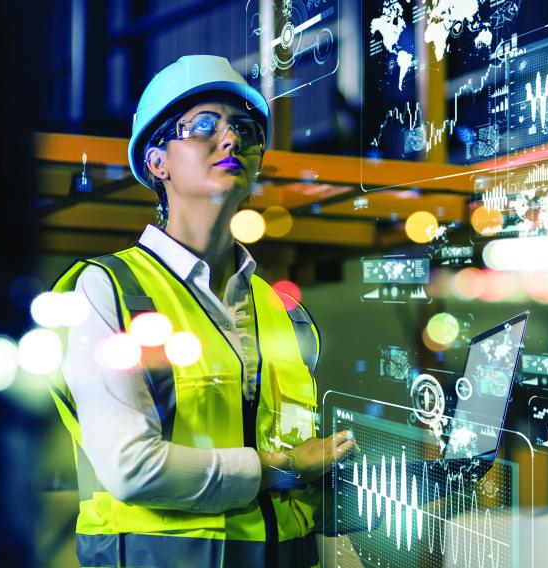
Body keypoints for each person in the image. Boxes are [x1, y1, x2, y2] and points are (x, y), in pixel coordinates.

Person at [48, 54, 354, 567]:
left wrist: (409, 486)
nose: (231, 140)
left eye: (246, 130)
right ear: (156, 161)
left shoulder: (283, 312)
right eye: (205, 126)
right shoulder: (108, 291)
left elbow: (303, 489)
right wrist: (281, 467)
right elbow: (132, 467)